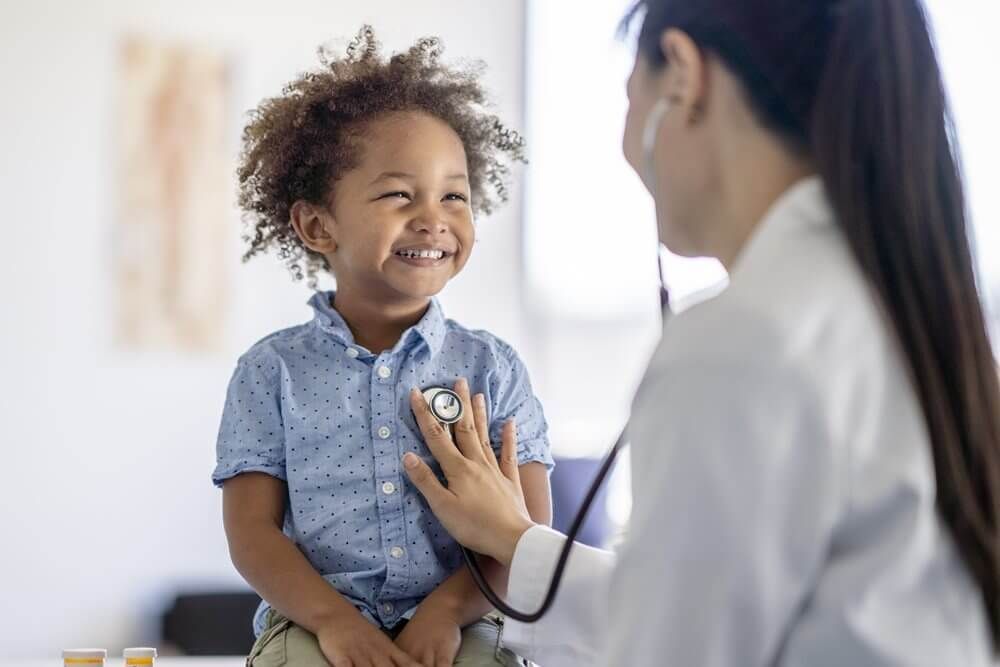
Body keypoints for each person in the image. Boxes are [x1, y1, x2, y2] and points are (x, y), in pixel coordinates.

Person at [401, 0, 1000, 664]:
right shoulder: (888, 300)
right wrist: (519, 540)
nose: (629, 149)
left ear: (683, 77)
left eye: (630, 100)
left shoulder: (742, 342)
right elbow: (730, 604)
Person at [212, 27, 553, 667]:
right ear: (318, 225)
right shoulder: (270, 371)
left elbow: (528, 534)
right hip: (317, 623)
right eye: (400, 194)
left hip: (465, 618)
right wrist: (335, 623)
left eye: (454, 194)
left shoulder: (494, 368)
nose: (433, 217)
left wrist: (448, 613)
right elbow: (252, 533)